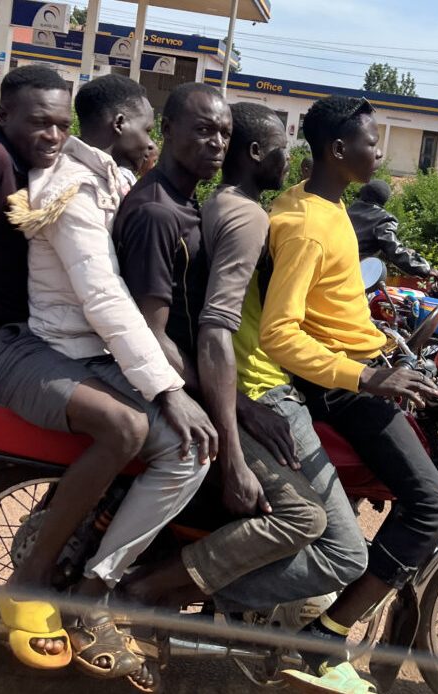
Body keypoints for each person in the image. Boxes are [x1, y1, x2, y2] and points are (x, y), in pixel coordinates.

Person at [0, 65, 208, 673]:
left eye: (60, 123)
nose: (53, 135)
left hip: (30, 337)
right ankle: (30, 580)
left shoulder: (48, 171)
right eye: (39, 123)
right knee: (124, 427)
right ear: (3, 116)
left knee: (153, 430)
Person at [5, 74, 215, 684]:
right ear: (120, 126)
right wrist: (168, 389)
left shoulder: (109, 177)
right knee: (188, 447)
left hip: (98, 346)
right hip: (79, 348)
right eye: (150, 128)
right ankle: (98, 587)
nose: (153, 141)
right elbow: (105, 299)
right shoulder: (72, 188)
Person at [108, 83, 344, 620]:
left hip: (202, 380)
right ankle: (142, 590)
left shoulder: (192, 202)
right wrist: (234, 428)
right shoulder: (160, 212)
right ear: (168, 132)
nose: (216, 142)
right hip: (170, 384)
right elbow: (157, 334)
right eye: (203, 129)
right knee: (303, 517)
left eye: (223, 133)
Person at [259, 96, 438, 693]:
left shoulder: (321, 204)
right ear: (338, 151)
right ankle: (326, 635)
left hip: (364, 364)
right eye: (371, 142)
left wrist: (385, 342)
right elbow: (279, 331)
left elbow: (334, 304)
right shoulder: (308, 227)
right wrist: (369, 376)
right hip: (343, 388)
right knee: (433, 509)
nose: (380, 153)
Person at [194, 101, 367, 613]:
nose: (290, 161)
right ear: (254, 154)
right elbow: (216, 326)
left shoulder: (243, 207)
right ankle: (187, 595)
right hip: (261, 388)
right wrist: (241, 410)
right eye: (280, 151)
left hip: (260, 384)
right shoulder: (250, 218)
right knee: (340, 547)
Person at [348, 178, 433, 278]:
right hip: (356, 274)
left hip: (332, 268)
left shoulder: (346, 210)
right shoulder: (383, 218)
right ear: (384, 198)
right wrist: (425, 269)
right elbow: (394, 250)